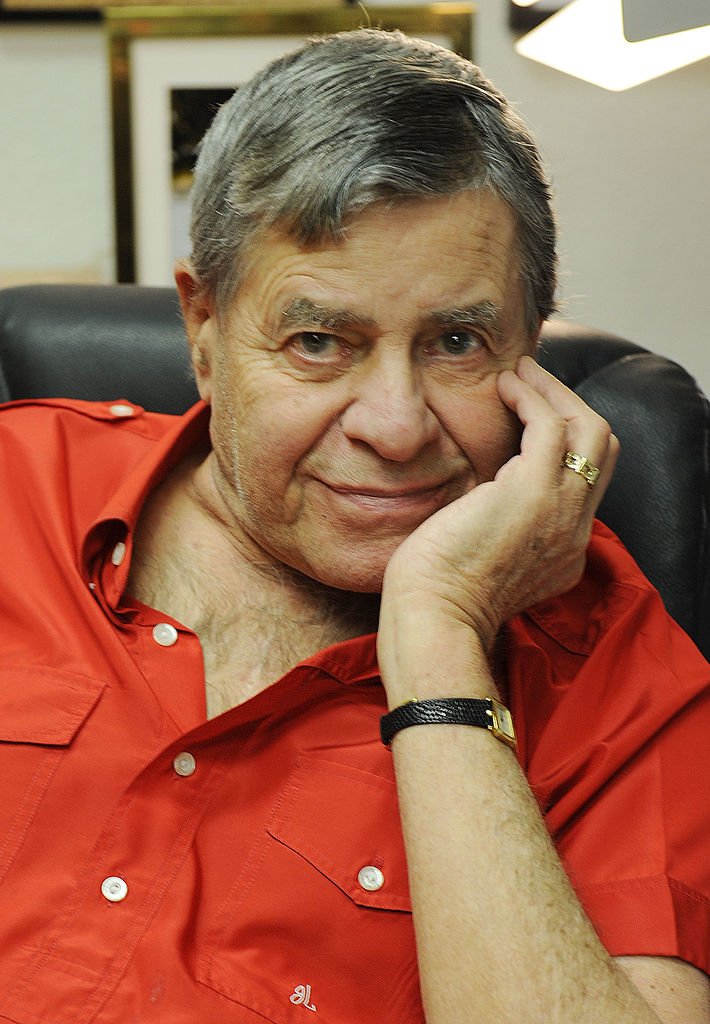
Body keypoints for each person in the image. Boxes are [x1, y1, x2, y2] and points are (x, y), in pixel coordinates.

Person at [0, 27, 708, 1024]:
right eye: (319, 341)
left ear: (530, 346)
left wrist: (435, 634)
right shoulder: (14, 488)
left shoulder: (617, 672)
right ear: (202, 333)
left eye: (456, 342)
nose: (394, 424)